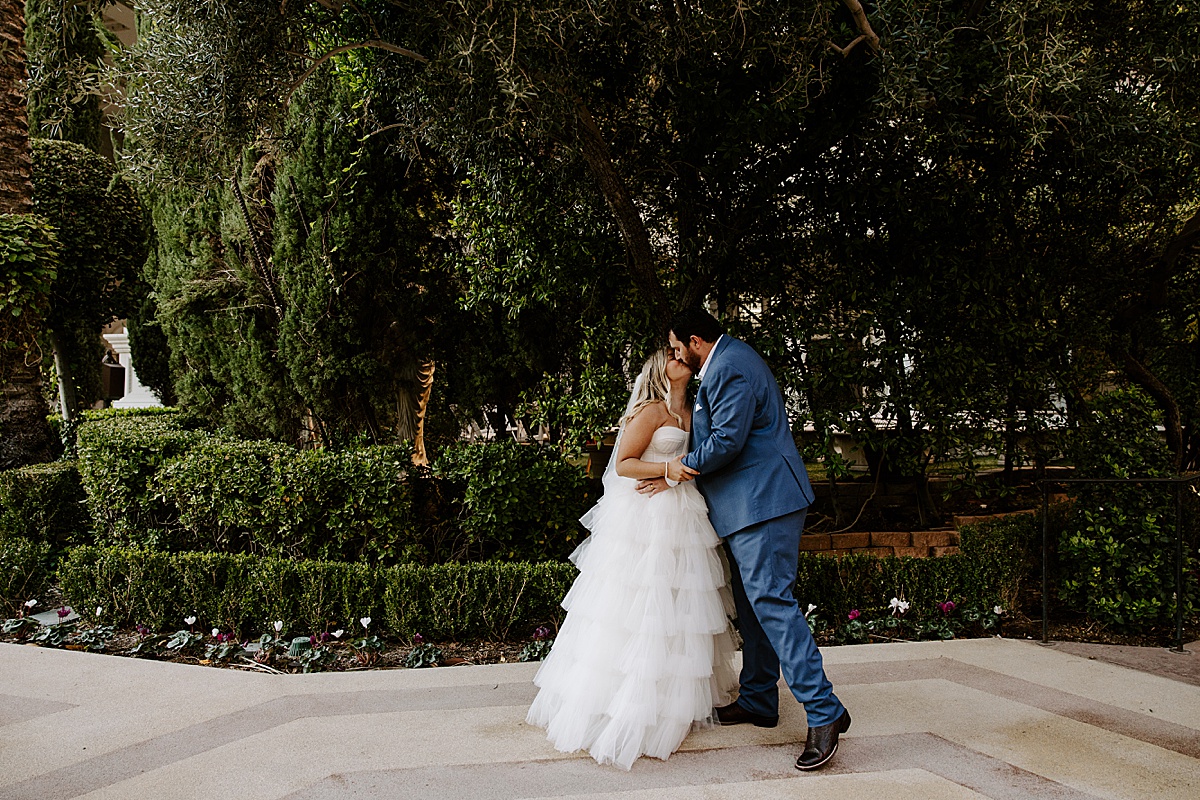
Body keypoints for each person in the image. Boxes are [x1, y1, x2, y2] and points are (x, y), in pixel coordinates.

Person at [640, 308, 851, 771]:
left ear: (695, 341)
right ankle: (758, 698)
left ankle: (824, 711)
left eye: (677, 348)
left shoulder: (730, 366)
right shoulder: (725, 362)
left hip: (765, 501)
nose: (675, 356)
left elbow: (727, 442)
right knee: (754, 604)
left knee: (772, 603)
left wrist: (674, 472)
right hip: (746, 505)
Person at [526, 348, 737, 770]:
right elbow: (623, 464)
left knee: (682, 605)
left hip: (685, 513)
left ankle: (675, 697)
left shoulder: (695, 410)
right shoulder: (651, 411)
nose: (683, 359)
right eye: (674, 356)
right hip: (649, 517)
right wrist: (664, 473)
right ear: (661, 369)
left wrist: (677, 473)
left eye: (684, 354)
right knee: (642, 605)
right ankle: (632, 698)